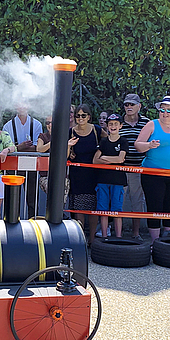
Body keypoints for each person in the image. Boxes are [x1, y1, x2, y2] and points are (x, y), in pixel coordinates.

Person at [134, 96, 170, 242]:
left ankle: (168, 241)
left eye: (168, 110)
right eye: (162, 110)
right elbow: (138, 145)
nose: (165, 113)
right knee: (155, 205)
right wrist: (149, 145)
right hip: (153, 173)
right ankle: (155, 241)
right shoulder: (152, 125)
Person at [68, 104, 102, 245]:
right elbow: (65, 155)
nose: (80, 118)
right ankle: (80, 240)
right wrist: (69, 145)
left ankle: (93, 240)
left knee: (93, 208)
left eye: (83, 115)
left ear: (89, 116)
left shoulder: (97, 130)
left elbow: (108, 143)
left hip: (94, 174)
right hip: (77, 174)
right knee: (79, 208)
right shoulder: (70, 131)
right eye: (78, 115)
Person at [2, 104, 43, 218]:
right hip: (13, 166)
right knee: (13, 199)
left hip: (31, 165)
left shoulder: (36, 124)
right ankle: (12, 224)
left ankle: (33, 224)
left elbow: (37, 148)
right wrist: (22, 147)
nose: (22, 107)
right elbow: (7, 148)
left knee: (32, 199)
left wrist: (17, 147)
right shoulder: (8, 126)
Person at [120, 93, 151, 240]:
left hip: (140, 167)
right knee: (116, 200)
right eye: (126, 104)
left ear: (139, 106)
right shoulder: (117, 122)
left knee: (137, 201)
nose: (129, 107)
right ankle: (113, 232)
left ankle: (136, 234)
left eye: (132, 104)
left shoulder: (147, 123)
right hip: (121, 168)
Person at [93, 114, 129, 238]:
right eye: (110, 124)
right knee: (103, 210)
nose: (113, 126)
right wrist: (108, 159)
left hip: (118, 180)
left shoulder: (123, 141)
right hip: (102, 179)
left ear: (121, 126)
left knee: (117, 210)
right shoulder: (103, 141)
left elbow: (120, 159)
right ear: (107, 126)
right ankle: (104, 237)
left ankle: (118, 237)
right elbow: (95, 160)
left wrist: (105, 158)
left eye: (116, 124)